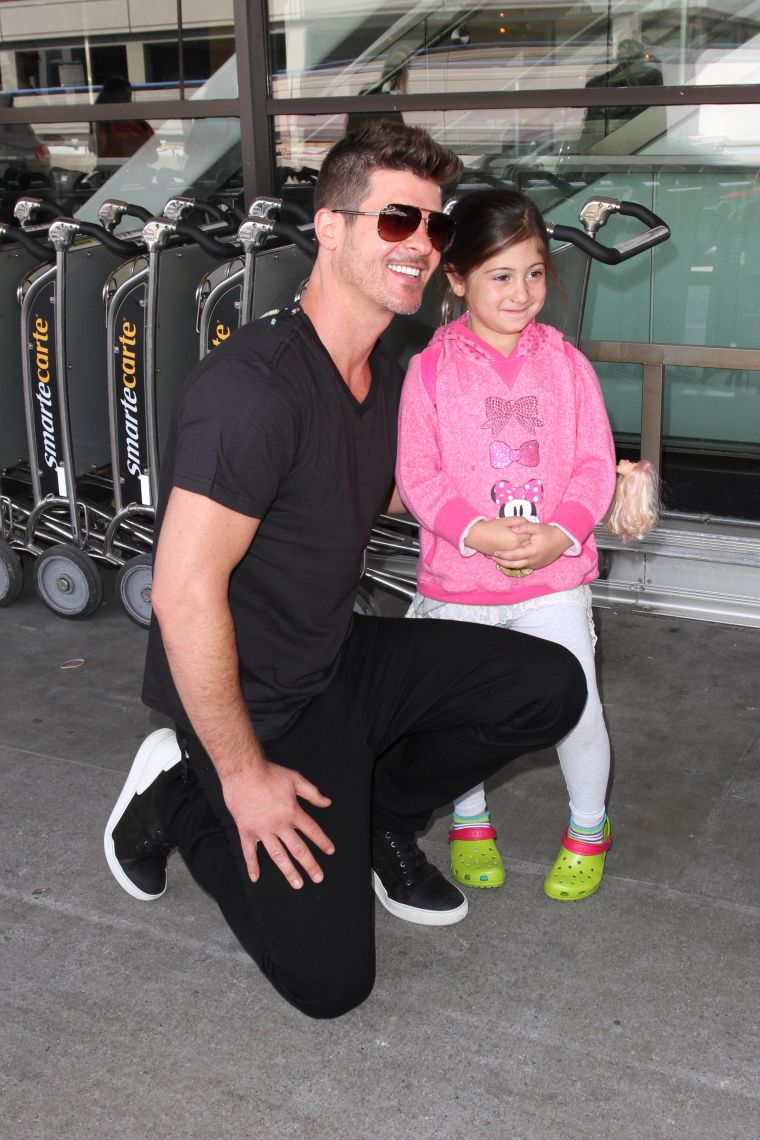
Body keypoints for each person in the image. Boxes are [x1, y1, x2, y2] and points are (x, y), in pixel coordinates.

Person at [103, 122, 587, 1019]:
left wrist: (549, 499)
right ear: (328, 227)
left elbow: (405, 489)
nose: (421, 246)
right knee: (331, 984)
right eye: (396, 220)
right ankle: (179, 799)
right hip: (251, 700)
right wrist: (244, 777)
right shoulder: (251, 392)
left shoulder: (390, 370)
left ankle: (378, 818)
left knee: (549, 686)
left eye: (436, 228)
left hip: (331, 658)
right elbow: (182, 592)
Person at [396, 187, 629, 900]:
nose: (521, 291)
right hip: (459, 582)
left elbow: (596, 463)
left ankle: (589, 826)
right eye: (500, 275)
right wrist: (476, 529)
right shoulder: (429, 371)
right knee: (463, 714)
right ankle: (469, 819)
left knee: (577, 706)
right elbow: (417, 476)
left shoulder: (568, 366)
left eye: (533, 273)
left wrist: (562, 532)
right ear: (457, 278)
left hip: (555, 580)